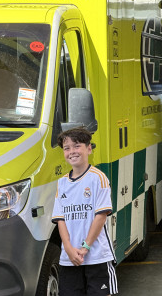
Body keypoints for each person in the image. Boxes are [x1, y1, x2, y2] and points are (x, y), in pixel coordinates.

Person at [51, 127, 117, 296]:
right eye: (67, 148)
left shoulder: (98, 178)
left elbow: (100, 216)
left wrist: (85, 247)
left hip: (97, 256)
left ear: (89, 148)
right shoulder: (62, 183)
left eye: (77, 146)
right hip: (70, 259)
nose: (72, 151)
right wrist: (68, 248)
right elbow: (60, 220)